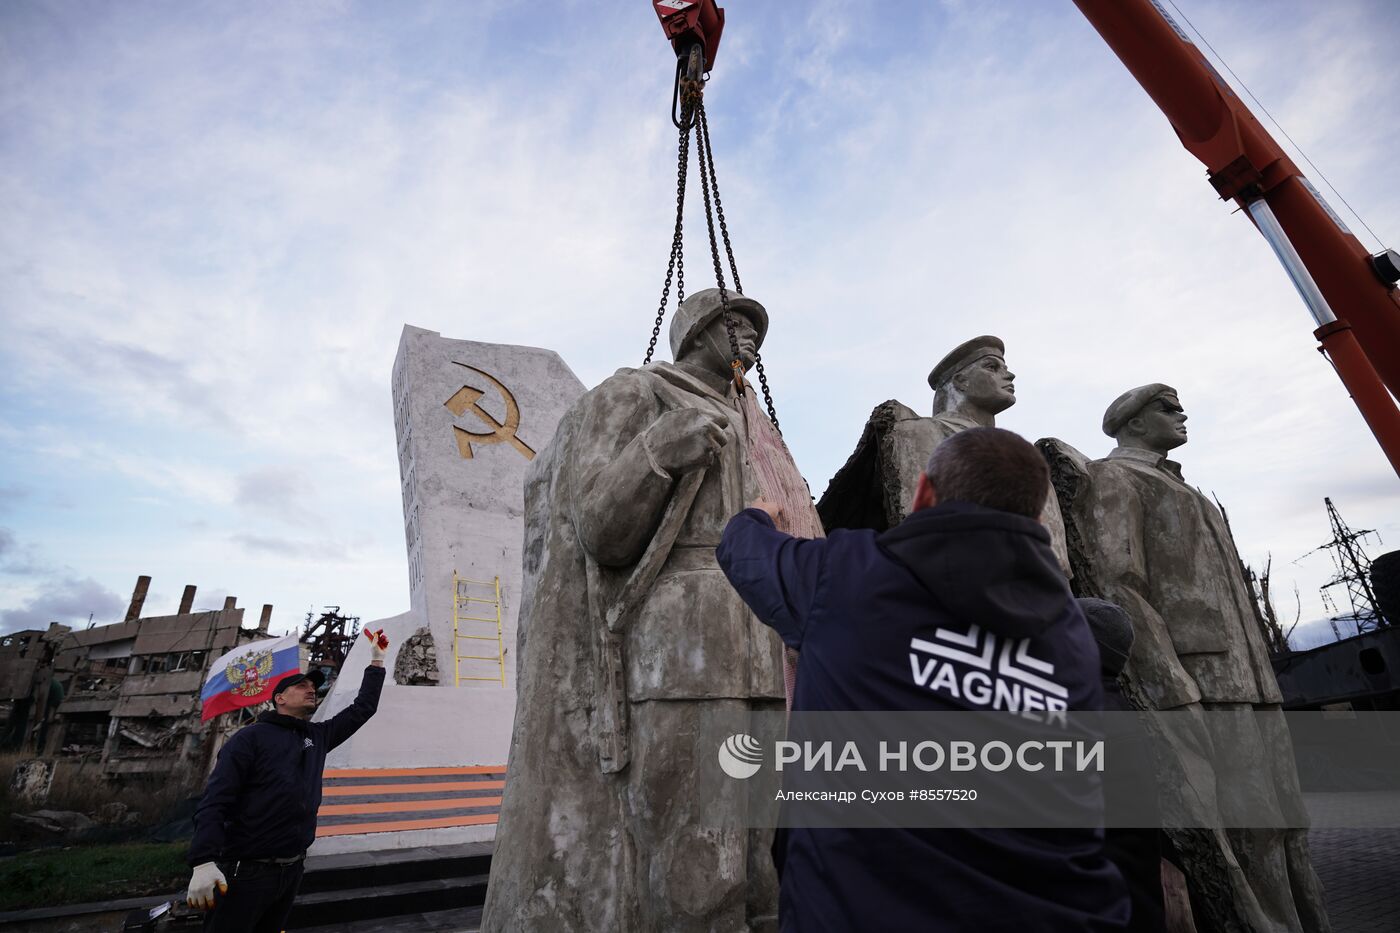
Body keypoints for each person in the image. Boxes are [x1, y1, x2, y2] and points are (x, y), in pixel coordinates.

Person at [482, 289, 818, 933]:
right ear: (694, 331)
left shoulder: (751, 421)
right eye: (733, 323)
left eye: (755, 328)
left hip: (757, 642)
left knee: (759, 861)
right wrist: (659, 450)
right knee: (700, 857)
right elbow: (598, 530)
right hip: (684, 646)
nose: (749, 337)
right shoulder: (639, 393)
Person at [717, 426, 1130, 932]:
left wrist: (758, 514)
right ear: (1033, 514)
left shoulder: (850, 575)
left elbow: (747, 552)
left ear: (922, 493)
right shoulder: (1071, 641)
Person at [1078, 384, 1328, 931]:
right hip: (1202, 678)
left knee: (1287, 818)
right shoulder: (1117, 477)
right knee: (1248, 825)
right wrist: (1168, 678)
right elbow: (1120, 584)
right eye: (1166, 408)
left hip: (1250, 678)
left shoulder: (1189, 491)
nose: (1181, 414)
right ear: (1134, 424)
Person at [186, 628, 390, 932]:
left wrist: (376, 662)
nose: (312, 690)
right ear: (279, 698)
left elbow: (363, 709)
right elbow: (216, 801)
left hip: (292, 869)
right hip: (246, 874)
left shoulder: (317, 735)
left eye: (314, 686)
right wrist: (203, 861)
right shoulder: (249, 739)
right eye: (302, 685)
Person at [817, 336, 1071, 574]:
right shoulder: (922, 434)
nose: (1009, 374)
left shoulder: (1023, 458)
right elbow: (926, 537)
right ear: (960, 381)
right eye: (992, 367)